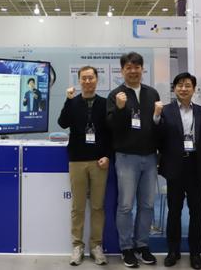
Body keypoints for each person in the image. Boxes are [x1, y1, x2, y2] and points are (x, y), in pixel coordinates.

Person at [157, 72, 201, 269]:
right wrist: (156, 117)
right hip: (174, 167)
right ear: (174, 89)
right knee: (174, 211)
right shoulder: (165, 111)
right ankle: (173, 251)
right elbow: (157, 139)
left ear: (194, 89)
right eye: (180, 85)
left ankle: (195, 253)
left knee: (196, 212)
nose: (183, 89)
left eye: (187, 85)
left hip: (196, 167)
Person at [106, 52, 161, 268]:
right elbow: (111, 127)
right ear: (122, 70)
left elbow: (156, 125)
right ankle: (126, 248)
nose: (133, 71)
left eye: (137, 67)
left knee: (147, 205)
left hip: (150, 158)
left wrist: (158, 117)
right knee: (126, 206)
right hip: (126, 158)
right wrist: (120, 109)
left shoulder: (151, 93)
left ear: (142, 69)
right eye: (128, 67)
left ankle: (142, 245)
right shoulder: (115, 95)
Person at [58, 66, 111, 266]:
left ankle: (96, 246)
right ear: (79, 80)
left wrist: (107, 156)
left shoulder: (105, 103)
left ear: (97, 80)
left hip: (99, 161)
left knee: (97, 206)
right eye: (84, 78)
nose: (87, 81)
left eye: (91, 78)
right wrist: (67, 100)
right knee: (78, 206)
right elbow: (62, 123)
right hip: (77, 159)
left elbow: (111, 133)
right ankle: (77, 246)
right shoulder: (73, 102)